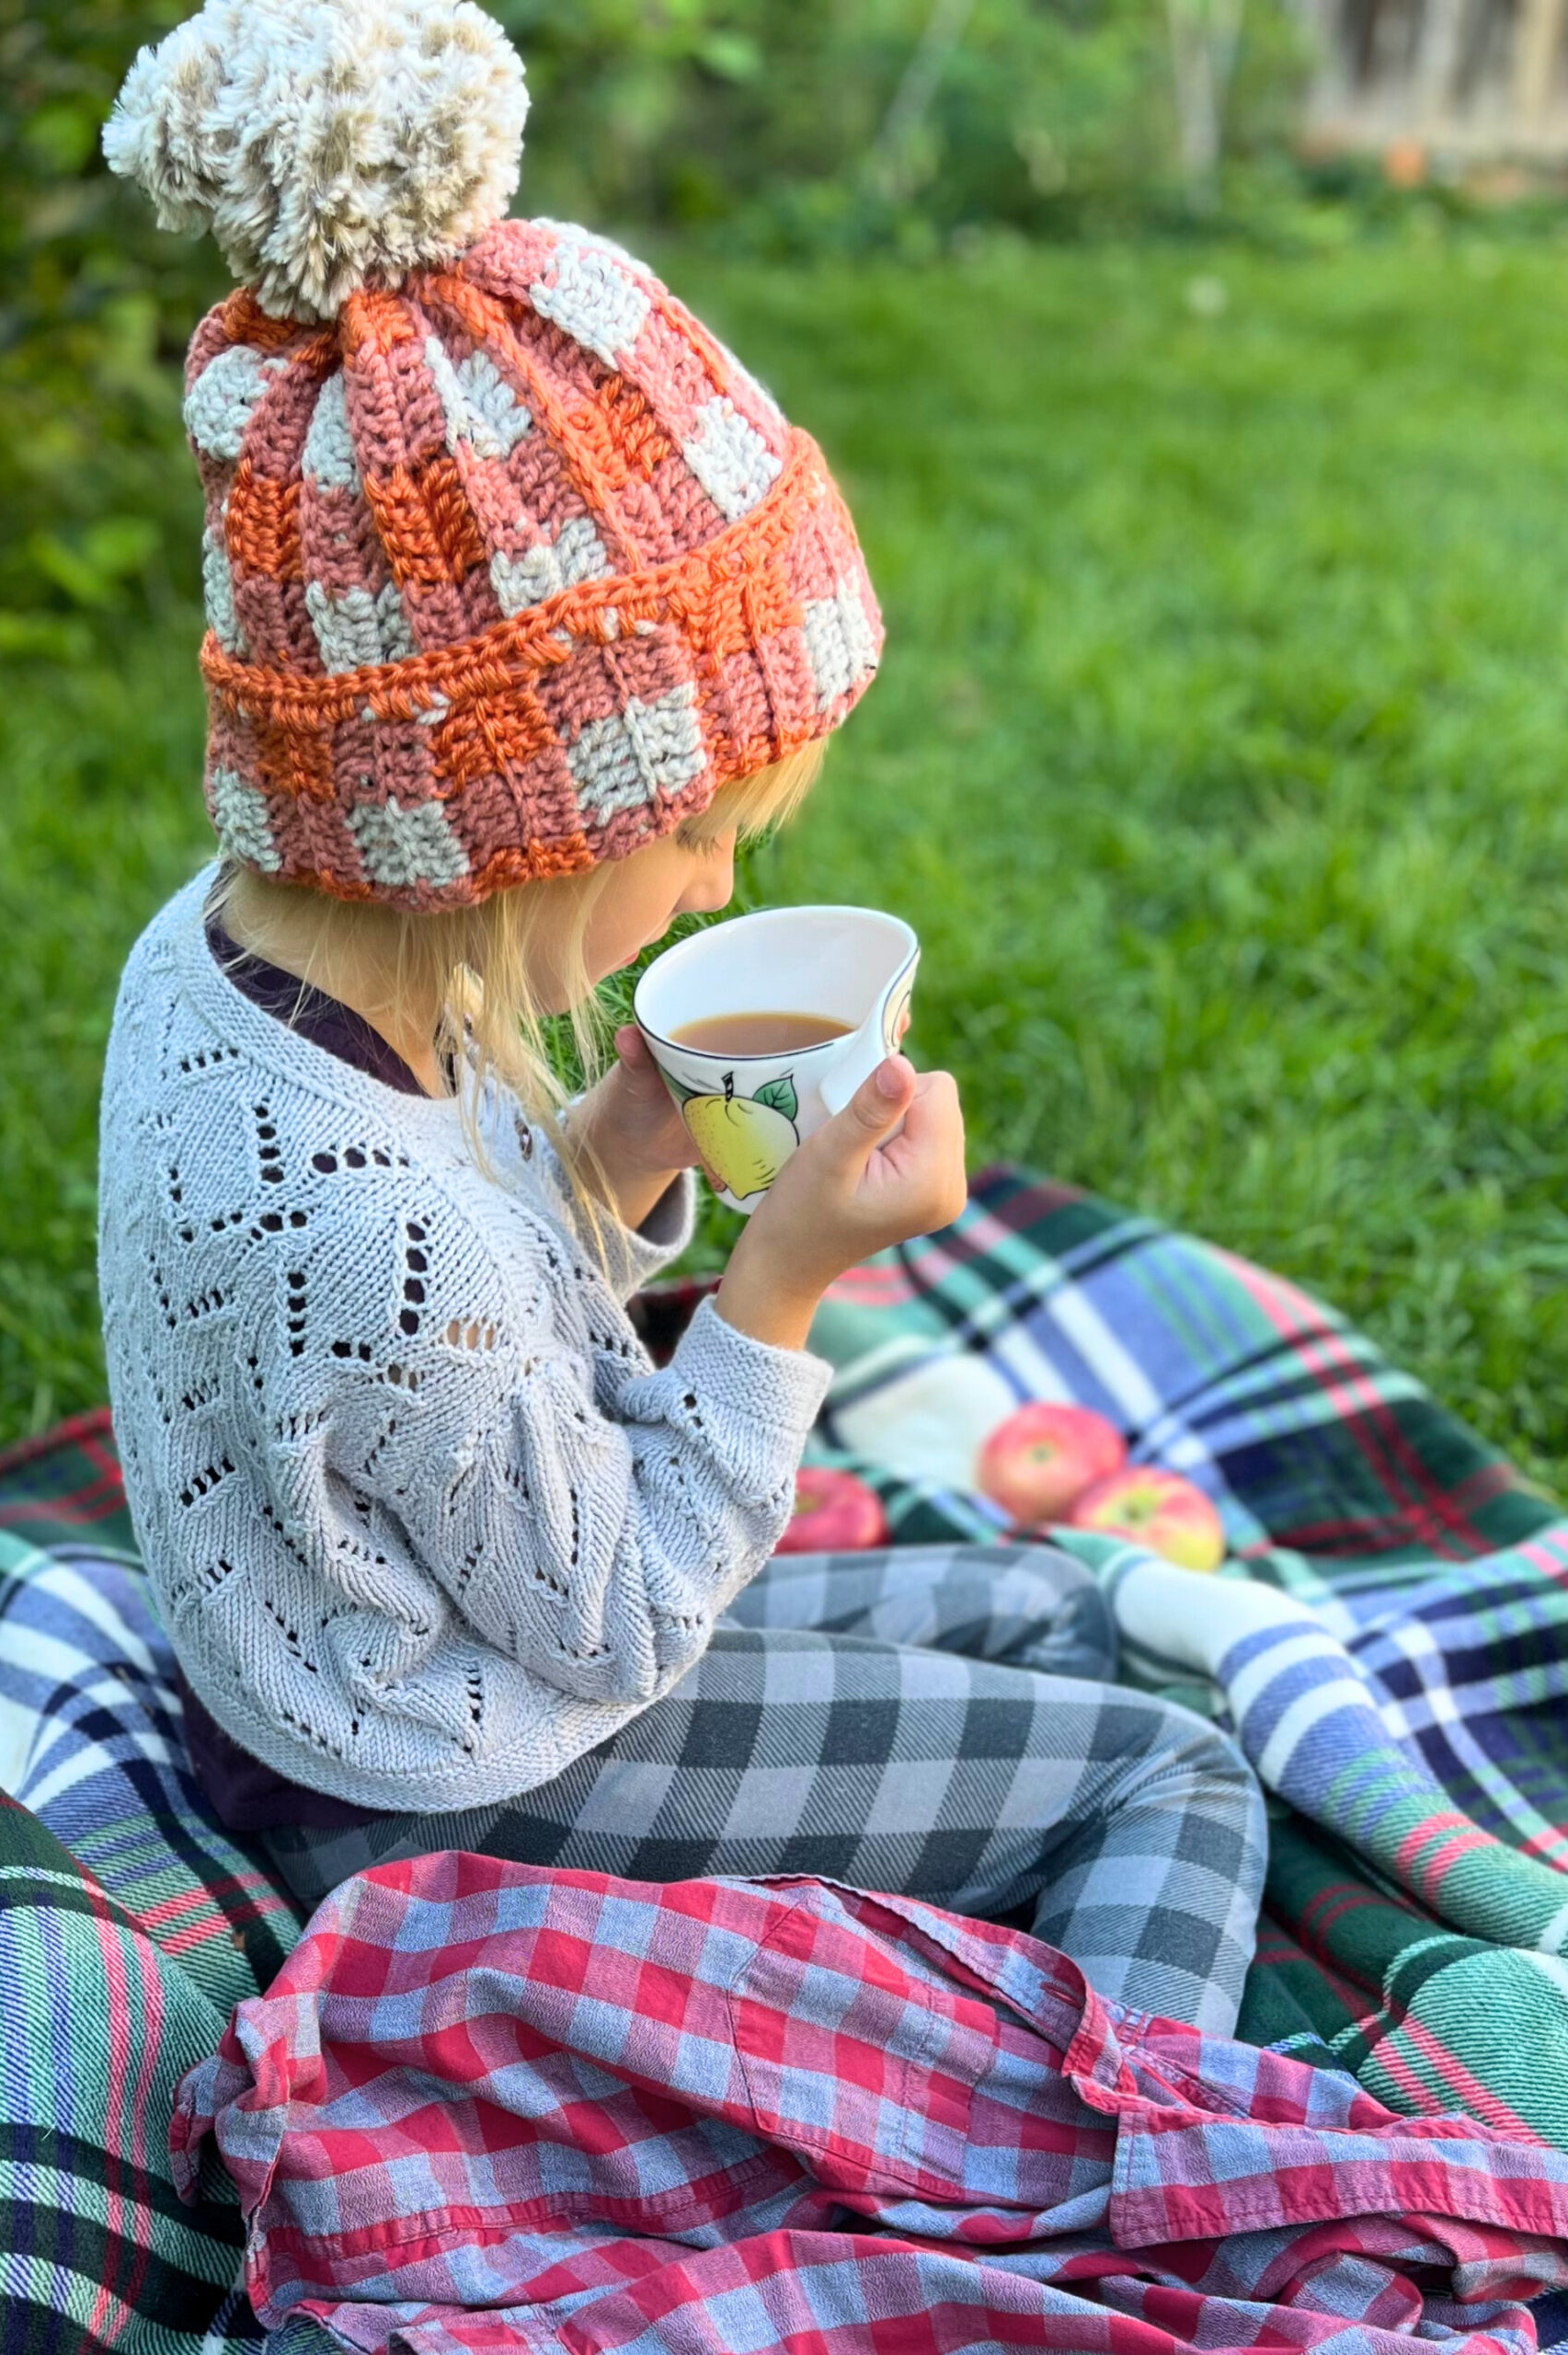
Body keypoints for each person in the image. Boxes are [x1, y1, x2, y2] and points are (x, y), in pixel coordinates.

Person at [97, 0, 1266, 2033]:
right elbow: (616, 1595)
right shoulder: (368, 1218)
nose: (719, 887)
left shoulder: (243, 959)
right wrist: (783, 1286)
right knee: (1171, 1768)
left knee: (1044, 1606)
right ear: (509, 820)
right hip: (452, 1789)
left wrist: (630, 1144)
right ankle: (1104, 2185)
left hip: (396, 1674)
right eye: (699, 836)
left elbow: (446, 1363)